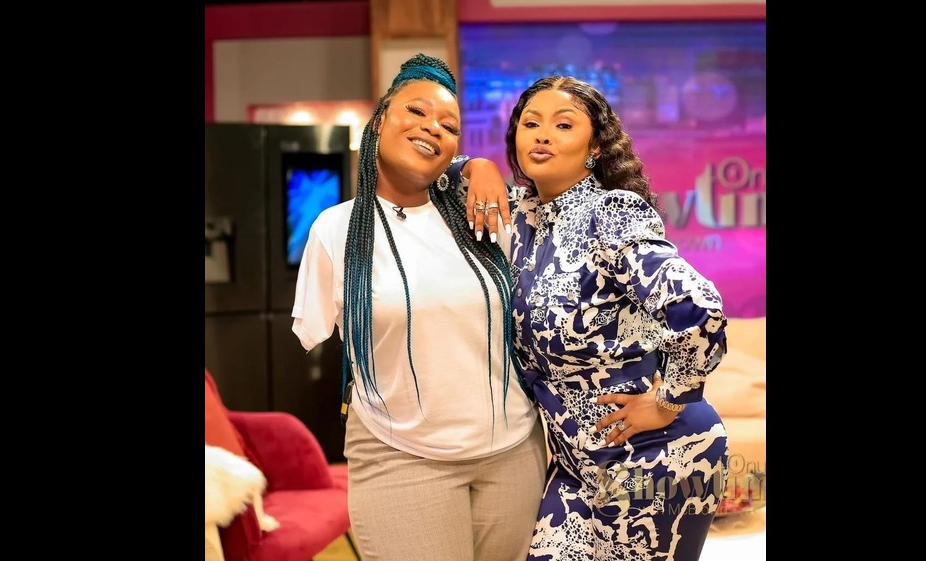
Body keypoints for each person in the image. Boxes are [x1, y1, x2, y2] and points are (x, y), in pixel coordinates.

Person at [462, 75, 730, 561]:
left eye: (563, 125)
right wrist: (475, 166)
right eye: (530, 124)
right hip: (574, 464)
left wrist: (668, 401)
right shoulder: (518, 216)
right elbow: (426, 168)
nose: (543, 135)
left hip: (655, 455)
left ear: (596, 147)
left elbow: (698, 309)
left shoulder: (612, 213)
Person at [290, 54, 546, 561]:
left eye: (449, 126)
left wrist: (477, 166)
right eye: (416, 111)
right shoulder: (335, 231)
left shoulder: (484, 216)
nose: (433, 128)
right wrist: (471, 165)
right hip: (401, 459)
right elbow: (313, 332)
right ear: (379, 121)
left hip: (514, 454)